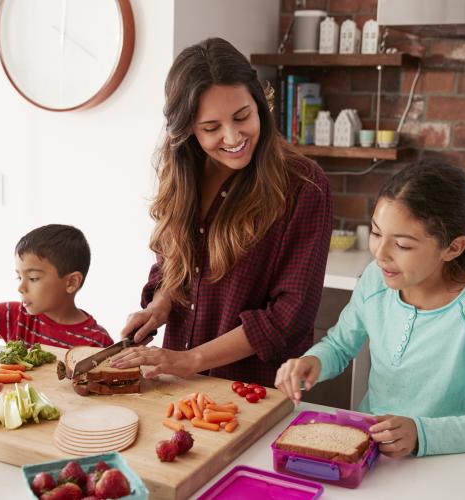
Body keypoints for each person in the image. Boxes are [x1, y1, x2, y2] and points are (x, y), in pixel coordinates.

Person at [111, 37, 333, 387]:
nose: (233, 137)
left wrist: (193, 358)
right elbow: (174, 262)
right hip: (177, 384)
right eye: (211, 128)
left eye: (242, 116)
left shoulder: (304, 186)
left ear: (259, 103)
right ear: (187, 130)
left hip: (252, 392)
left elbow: (290, 314)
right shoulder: (183, 173)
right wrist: (160, 305)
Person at [275, 161, 465, 458]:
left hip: (450, 462)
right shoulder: (375, 279)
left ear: (453, 248)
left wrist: (422, 435)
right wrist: (314, 362)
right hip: (373, 453)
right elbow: (340, 344)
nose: (380, 254)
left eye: (403, 245)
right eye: (375, 233)